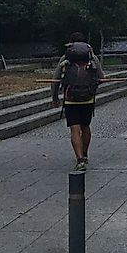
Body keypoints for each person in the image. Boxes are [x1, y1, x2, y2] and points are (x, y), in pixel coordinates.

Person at [51, 32, 104, 171]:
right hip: (88, 98)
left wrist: (54, 97)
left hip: (70, 99)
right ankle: (85, 154)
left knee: (74, 129)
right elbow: (101, 76)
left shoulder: (66, 58)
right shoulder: (92, 57)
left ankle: (79, 159)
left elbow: (56, 79)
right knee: (85, 127)